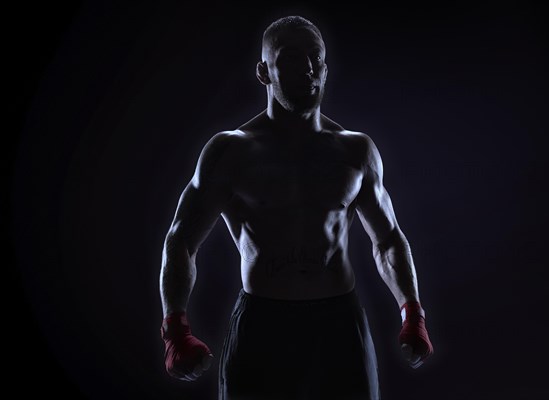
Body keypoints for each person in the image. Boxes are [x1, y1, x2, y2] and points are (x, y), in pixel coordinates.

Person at [159, 15, 434, 400]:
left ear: (324, 66)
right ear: (263, 72)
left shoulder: (355, 151)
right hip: (262, 324)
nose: (306, 68)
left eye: (314, 58)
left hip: (339, 326)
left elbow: (388, 239)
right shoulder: (230, 152)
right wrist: (175, 329)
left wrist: (412, 313)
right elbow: (181, 240)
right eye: (290, 58)